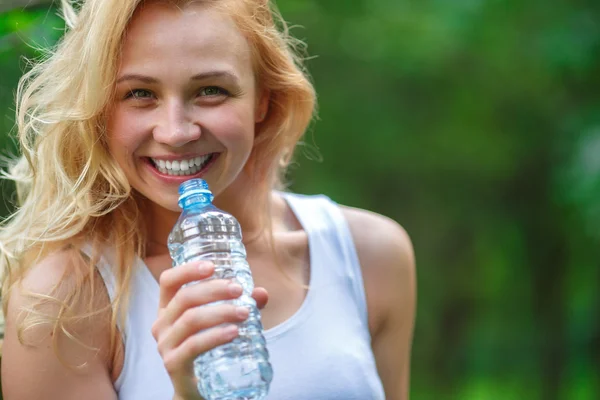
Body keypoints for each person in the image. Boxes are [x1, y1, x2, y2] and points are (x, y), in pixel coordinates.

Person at [0, 0, 416, 399]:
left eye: (210, 90)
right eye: (140, 93)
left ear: (262, 99)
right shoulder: (61, 306)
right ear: (99, 110)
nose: (176, 132)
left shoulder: (370, 254)